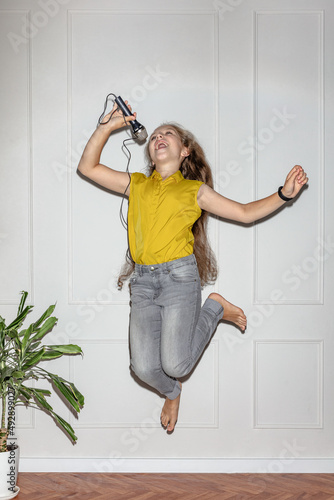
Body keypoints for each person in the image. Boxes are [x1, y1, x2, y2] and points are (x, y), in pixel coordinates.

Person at [77, 101, 308, 433]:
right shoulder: (137, 185)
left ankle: (214, 307)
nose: (159, 136)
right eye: (155, 134)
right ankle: (173, 393)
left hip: (177, 280)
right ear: (150, 151)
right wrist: (105, 128)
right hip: (142, 283)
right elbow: (88, 167)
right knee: (142, 368)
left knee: (177, 363)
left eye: (168, 134)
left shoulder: (193, 191)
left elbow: (244, 213)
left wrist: (284, 195)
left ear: (184, 151)